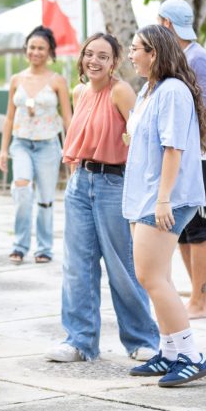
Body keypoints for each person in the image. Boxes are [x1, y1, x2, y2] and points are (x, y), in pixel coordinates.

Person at [46, 33, 158, 363]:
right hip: (80, 183)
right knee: (77, 267)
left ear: (114, 62)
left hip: (114, 184)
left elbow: (142, 140)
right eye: (89, 54)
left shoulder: (121, 91)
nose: (94, 61)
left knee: (122, 266)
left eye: (103, 56)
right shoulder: (80, 92)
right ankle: (80, 341)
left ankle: (141, 338)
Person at [124, 25, 206, 388]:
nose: (130, 55)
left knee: (151, 277)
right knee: (158, 277)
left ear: (154, 53)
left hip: (163, 197)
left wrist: (163, 197)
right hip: (143, 193)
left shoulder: (173, 91)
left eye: (135, 49)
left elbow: (173, 148)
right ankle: (170, 351)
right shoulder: (149, 88)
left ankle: (192, 356)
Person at [157, 0, 206, 319]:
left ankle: (200, 296)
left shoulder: (197, 57)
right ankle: (196, 294)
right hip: (182, 154)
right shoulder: (177, 58)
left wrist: (195, 150)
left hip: (199, 156)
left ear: (167, 24)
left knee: (198, 227)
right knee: (182, 228)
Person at [0, 26, 73, 264]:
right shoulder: (16, 79)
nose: (36, 52)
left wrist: (72, 150)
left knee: (45, 199)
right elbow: (9, 116)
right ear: (26, 49)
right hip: (20, 144)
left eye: (41, 48)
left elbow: (68, 118)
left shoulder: (57, 80)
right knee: (21, 189)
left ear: (50, 51)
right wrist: (2, 149)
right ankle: (19, 245)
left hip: (48, 145)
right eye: (32, 47)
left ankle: (44, 248)